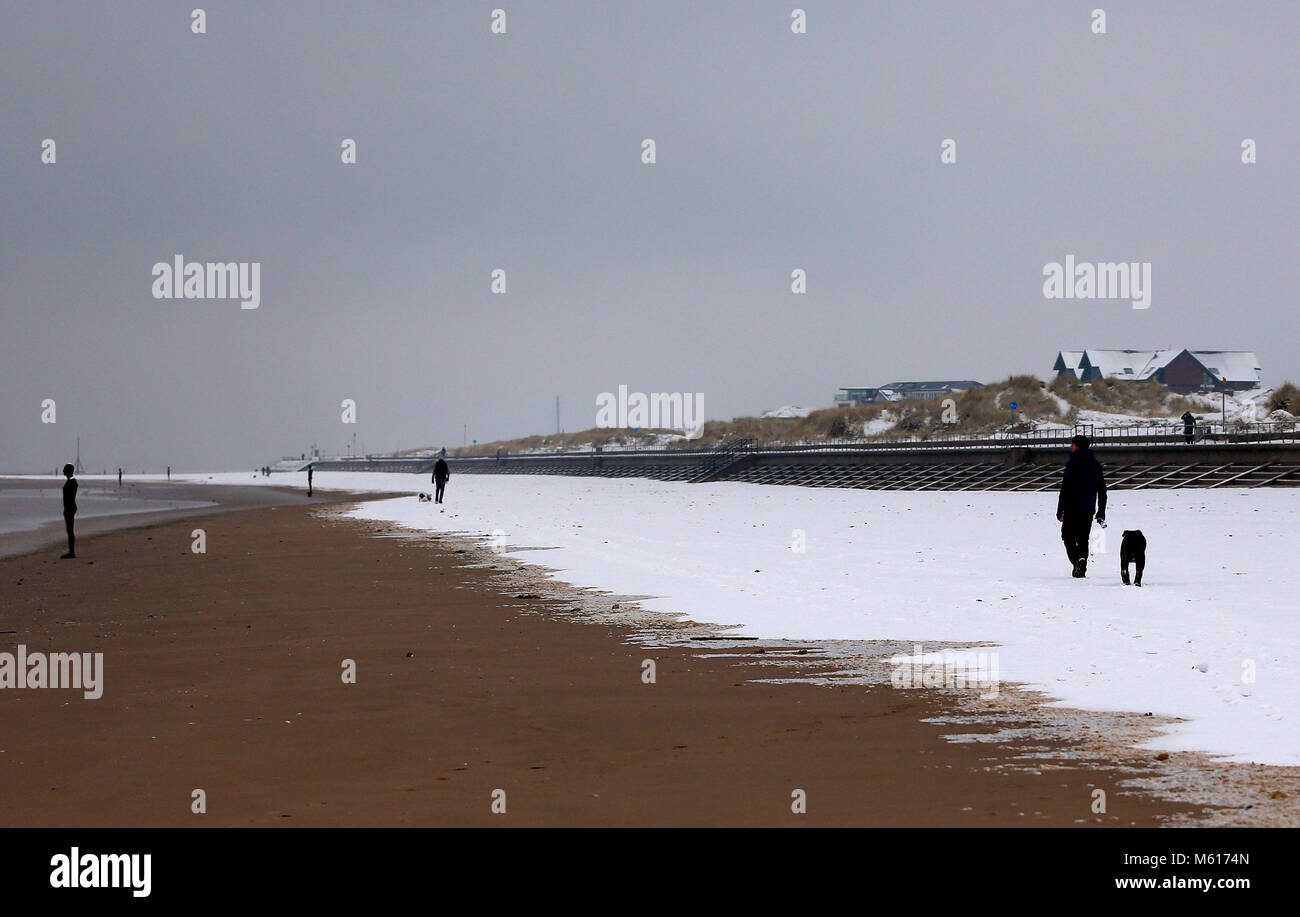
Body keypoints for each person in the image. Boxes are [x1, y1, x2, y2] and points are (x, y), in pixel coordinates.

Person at [1056, 434, 1107, 578]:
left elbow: (1065, 488)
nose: (1070, 447)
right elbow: (1102, 489)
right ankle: (1082, 565)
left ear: (1077, 446)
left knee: (1067, 536)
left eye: (1072, 444)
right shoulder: (1096, 464)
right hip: (1088, 508)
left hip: (1072, 507)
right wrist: (1101, 510)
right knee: (1083, 538)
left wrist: (1060, 509)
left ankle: (1077, 560)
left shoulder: (1073, 462)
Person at [61, 463, 78, 559]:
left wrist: (68, 508)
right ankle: (71, 551)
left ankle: (72, 552)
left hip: (70, 508)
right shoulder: (71, 481)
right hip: (69, 507)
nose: (63, 471)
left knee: (70, 530)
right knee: (69, 530)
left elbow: (70, 497)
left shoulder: (72, 482)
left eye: (65, 469)